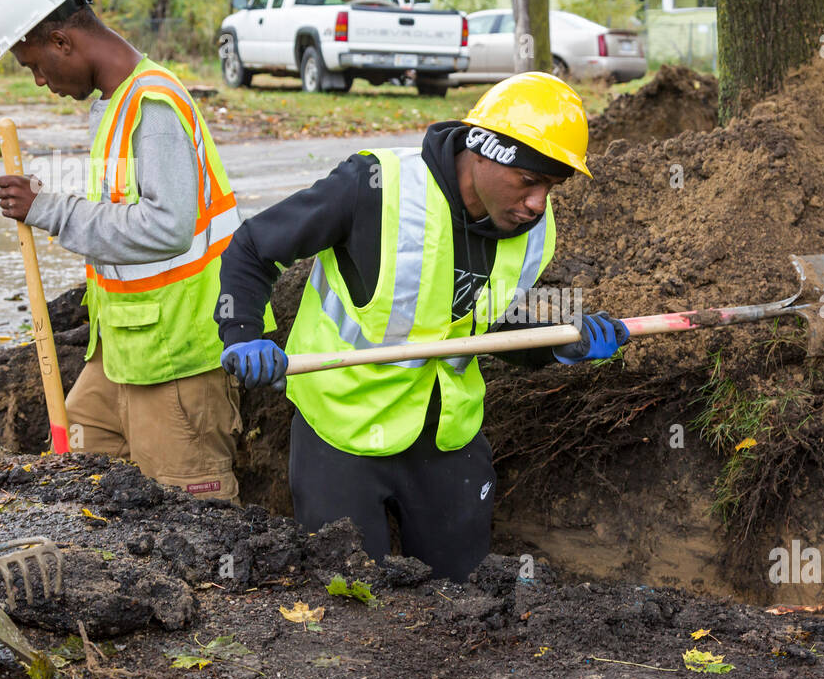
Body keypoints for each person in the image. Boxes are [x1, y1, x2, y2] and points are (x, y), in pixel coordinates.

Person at [216, 72, 629, 578]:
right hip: (343, 433)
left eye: (551, 186)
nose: (538, 203)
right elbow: (255, 246)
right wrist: (243, 333)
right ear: (482, 150)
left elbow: (484, 323)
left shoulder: (531, 229)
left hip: (446, 439)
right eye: (528, 180)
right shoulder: (376, 188)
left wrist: (560, 344)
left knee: (463, 602)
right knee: (349, 598)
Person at [0, 0, 270, 501]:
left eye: (35, 64)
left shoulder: (152, 106)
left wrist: (49, 208)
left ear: (63, 41)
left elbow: (167, 227)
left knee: (192, 530)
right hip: (118, 357)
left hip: (178, 363)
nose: (40, 81)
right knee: (72, 488)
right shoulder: (116, 105)